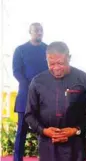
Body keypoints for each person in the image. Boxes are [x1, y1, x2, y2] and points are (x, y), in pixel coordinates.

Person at [24, 41, 86, 161]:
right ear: (46, 59)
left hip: (76, 144)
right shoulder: (37, 82)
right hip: (47, 143)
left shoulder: (85, 80)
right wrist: (45, 131)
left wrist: (75, 130)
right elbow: (29, 114)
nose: (56, 68)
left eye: (60, 63)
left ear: (69, 58)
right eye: (51, 63)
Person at [12, 22, 48, 161]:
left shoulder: (47, 49)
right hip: (25, 97)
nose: (39, 33)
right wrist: (30, 86)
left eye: (41, 30)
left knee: (44, 131)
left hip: (44, 97)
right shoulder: (20, 49)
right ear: (30, 32)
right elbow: (16, 71)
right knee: (21, 131)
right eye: (36, 30)